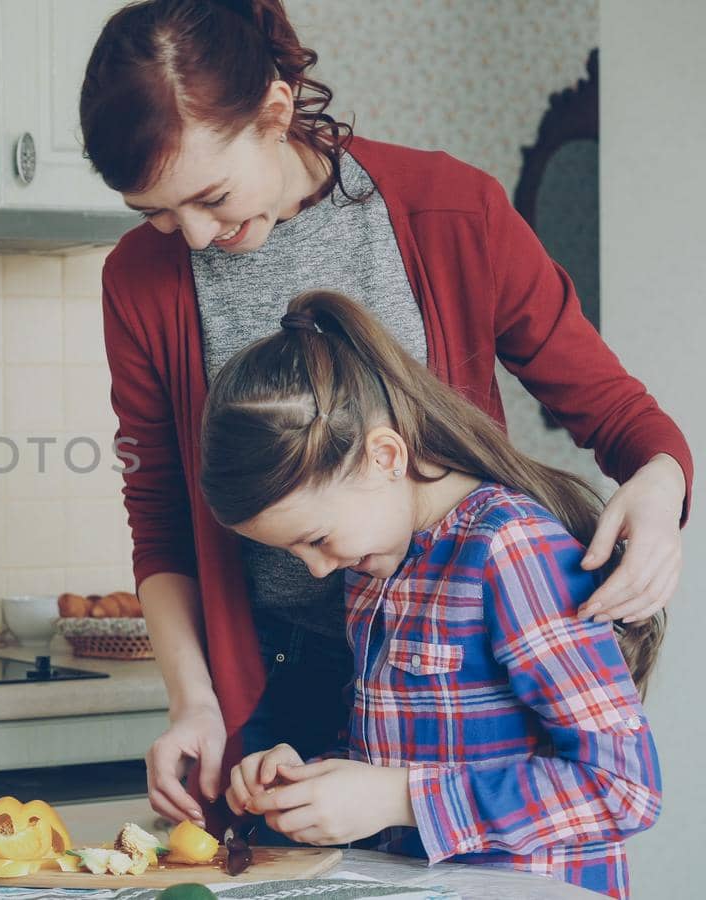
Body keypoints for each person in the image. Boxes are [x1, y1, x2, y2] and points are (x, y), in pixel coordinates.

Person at [78, 0, 692, 833]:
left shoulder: (451, 209)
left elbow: (619, 414)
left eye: (210, 196)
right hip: (277, 676)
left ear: (275, 111)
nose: (190, 235)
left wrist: (660, 488)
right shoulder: (139, 282)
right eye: (154, 212)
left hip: (462, 675)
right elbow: (161, 522)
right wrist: (197, 704)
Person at [203, 291, 662, 899]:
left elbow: (624, 789)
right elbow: (411, 744)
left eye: (316, 538)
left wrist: (398, 799)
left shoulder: (510, 549)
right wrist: (311, 779)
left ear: (385, 456)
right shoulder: (373, 566)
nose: (316, 570)